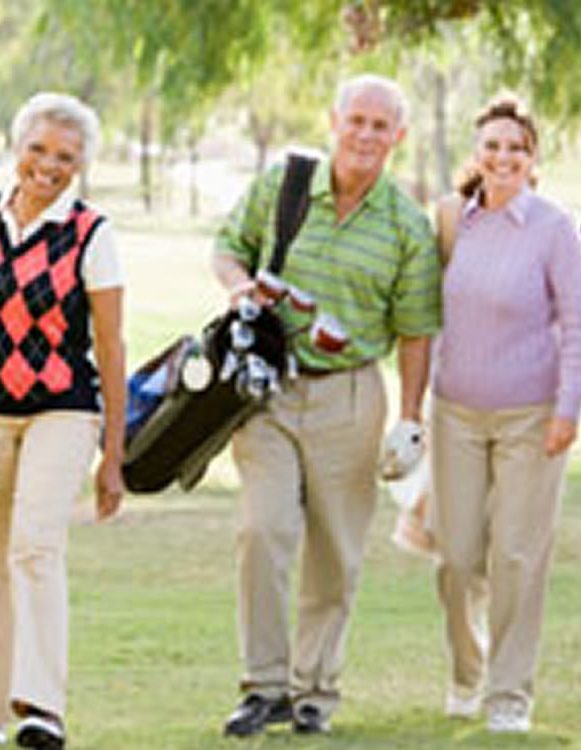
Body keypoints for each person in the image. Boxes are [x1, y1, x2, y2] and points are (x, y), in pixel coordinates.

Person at [211, 73, 441, 737]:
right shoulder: (284, 185)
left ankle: (314, 692)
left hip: (351, 393)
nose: (366, 135)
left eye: (381, 126)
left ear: (397, 138)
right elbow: (228, 249)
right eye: (357, 121)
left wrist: (409, 417)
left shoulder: (406, 224)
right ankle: (263, 687)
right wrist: (237, 289)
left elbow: (417, 329)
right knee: (263, 530)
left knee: (335, 551)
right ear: (334, 121)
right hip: (267, 388)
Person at [0, 92, 126, 750]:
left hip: (59, 411)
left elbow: (112, 349)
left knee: (34, 545)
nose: (48, 166)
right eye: (37, 149)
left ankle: (42, 709)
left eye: (65, 156)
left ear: (82, 164)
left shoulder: (93, 234)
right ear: (16, 148)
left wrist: (113, 455)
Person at [429, 93, 581, 734]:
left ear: (533, 160)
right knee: (458, 557)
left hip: (533, 415)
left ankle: (509, 694)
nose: (504, 157)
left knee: (518, 558)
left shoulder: (553, 228)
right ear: (477, 153)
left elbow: (580, 327)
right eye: (494, 146)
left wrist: (569, 408)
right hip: (456, 415)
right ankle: (467, 673)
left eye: (517, 148)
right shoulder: (451, 220)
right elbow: (426, 315)